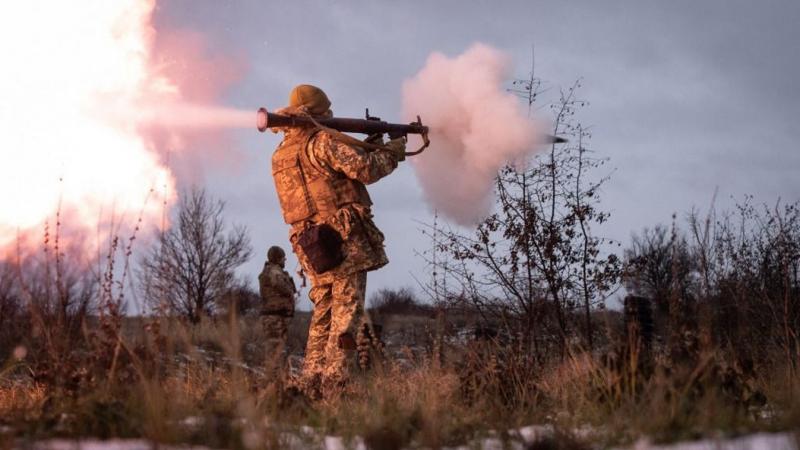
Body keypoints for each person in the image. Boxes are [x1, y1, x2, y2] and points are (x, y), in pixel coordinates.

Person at [270, 84, 405, 396]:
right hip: (342, 238)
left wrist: (368, 146)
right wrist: (393, 152)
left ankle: (310, 381)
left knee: (324, 311)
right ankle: (336, 384)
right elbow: (365, 170)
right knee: (347, 311)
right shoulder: (322, 141)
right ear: (320, 111)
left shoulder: (281, 154)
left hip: (309, 242)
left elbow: (326, 177)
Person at [258, 245, 297, 367]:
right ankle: (272, 383)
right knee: (274, 354)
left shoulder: (272, 271)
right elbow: (282, 286)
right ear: (278, 258)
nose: (285, 260)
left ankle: (277, 382)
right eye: (283, 258)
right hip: (274, 318)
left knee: (277, 352)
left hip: (277, 318)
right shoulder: (274, 271)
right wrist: (289, 285)